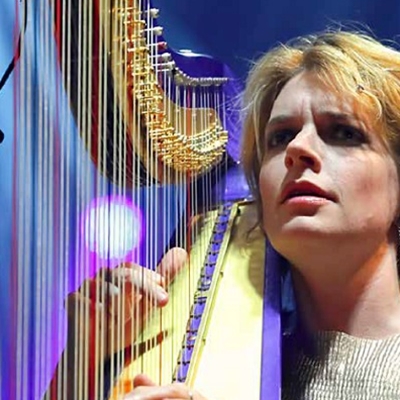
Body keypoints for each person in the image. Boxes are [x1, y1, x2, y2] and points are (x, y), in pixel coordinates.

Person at [54, 27, 400, 399]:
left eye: (344, 133)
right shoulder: (233, 366)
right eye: (281, 137)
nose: (297, 149)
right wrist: (80, 365)